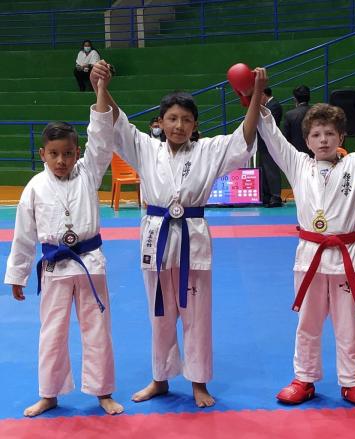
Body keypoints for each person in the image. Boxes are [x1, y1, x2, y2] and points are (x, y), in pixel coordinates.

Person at [90, 60, 263, 408]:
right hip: (156, 240)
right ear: (160, 122)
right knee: (160, 313)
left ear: (196, 124)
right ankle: (160, 378)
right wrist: (102, 87)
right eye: (172, 118)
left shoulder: (209, 150)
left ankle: (199, 381)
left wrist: (256, 94)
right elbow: (118, 123)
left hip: (193, 241)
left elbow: (244, 137)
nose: (179, 125)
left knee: (197, 315)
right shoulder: (145, 148)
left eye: (186, 119)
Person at [256, 68, 355, 408]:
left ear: (341, 137)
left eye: (330, 133)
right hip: (310, 255)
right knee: (308, 323)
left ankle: (352, 381)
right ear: (307, 139)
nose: (324, 140)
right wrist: (256, 100)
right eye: (317, 134)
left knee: (347, 325)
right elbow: (271, 136)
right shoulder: (297, 164)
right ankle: (304, 378)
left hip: (345, 255)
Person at [4, 70, 123, 417]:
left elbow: (102, 135)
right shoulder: (34, 188)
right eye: (54, 154)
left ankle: (103, 391)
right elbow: (23, 235)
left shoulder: (89, 171)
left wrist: (101, 88)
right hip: (55, 266)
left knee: (97, 329)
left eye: (68, 154)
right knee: (52, 332)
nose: (61, 161)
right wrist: (18, 274)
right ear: (42, 153)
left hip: (90, 263)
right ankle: (50, 393)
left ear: (77, 152)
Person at [257, 87, 284, 207]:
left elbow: (270, 123)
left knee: (271, 169)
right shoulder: (267, 106)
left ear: (263, 94)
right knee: (264, 170)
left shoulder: (274, 106)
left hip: (270, 143)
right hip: (263, 143)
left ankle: (276, 196)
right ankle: (266, 196)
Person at [283, 85, 312, 157]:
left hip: (296, 155)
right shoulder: (317, 113)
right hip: (315, 153)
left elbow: (286, 139)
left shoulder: (289, 115)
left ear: (295, 99)